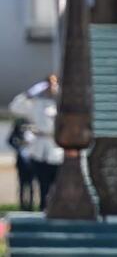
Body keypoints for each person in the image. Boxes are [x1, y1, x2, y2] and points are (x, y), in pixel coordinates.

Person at [9, 74, 64, 211]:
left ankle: (56, 209)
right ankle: (43, 209)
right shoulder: (36, 104)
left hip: (56, 149)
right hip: (39, 149)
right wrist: (29, 93)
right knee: (42, 184)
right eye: (48, 85)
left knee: (57, 184)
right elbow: (14, 107)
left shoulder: (61, 104)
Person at [7, 116, 36, 211]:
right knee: (22, 185)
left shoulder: (32, 131)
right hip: (21, 161)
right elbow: (9, 140)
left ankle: (31, 205)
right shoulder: (17, 130)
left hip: (31, 161)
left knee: (31, 185)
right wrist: (18, 146)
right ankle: (22, 205)